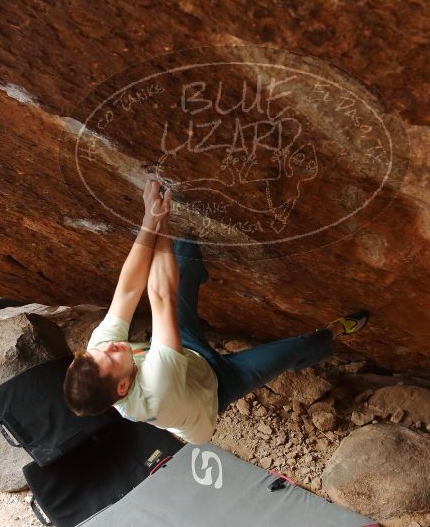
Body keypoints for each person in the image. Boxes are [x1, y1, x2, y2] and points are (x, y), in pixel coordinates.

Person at [63, 179, 369, 444]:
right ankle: (335, 331)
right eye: (113, 357)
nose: (113, 347)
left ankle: (195, 269)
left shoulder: (100, 352)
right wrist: (162, 224)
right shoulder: (156, 388)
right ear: (123, 386)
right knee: (295, 348)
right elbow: (161, 296)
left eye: (101, 350)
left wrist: (148, 221)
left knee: (183, 252)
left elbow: (129, 289)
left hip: (186, 353)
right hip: (217, 389)